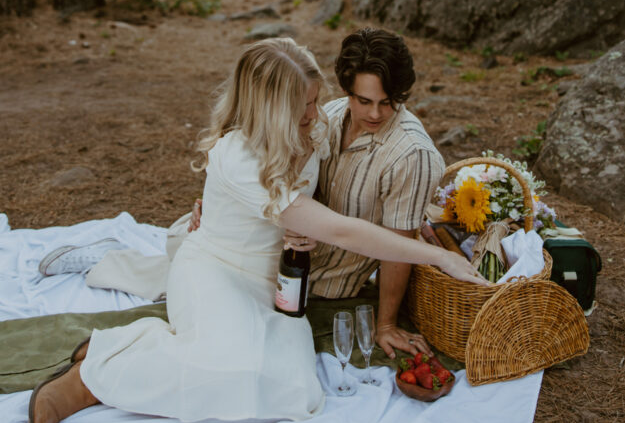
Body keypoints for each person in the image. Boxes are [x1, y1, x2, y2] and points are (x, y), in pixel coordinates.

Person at [29, 37, 486, 423]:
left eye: (315, 100)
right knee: (232, 372)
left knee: (294, 391)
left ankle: (138, 345)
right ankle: (91, 376)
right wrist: (436, 257)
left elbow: (336, 191)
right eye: (304, 105)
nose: (316, 112)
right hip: (216, 268)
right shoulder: (238, 155)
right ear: (270, 107)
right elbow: (340, 227)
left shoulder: (317, 126)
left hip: (275, 282)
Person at [40, 28, 445, 358]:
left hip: (287, 266)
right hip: (251, 250)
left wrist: (386, 321)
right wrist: (228, 199)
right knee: (192, 268)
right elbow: (317, 207)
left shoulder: (369, 139)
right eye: (363, 100)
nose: (374, 113)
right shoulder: (325, 119)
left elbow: (385, 230)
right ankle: (107, 259)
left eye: (388, 103)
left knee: (196, 274)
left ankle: (129, 257)